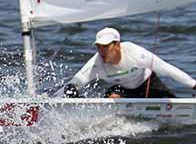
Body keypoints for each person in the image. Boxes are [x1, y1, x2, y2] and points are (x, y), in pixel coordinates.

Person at [63, 27, 196, 98]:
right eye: (99, 47)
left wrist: (193, 85)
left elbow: (168, 69)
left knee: (172, 103)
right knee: (113, 97)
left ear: (117, 45)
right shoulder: (96, 63)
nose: (102, 51)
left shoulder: (137, 54)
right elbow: (75, 83)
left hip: (148, 83)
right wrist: (70, 93)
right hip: (122, 88)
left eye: (106, 46)